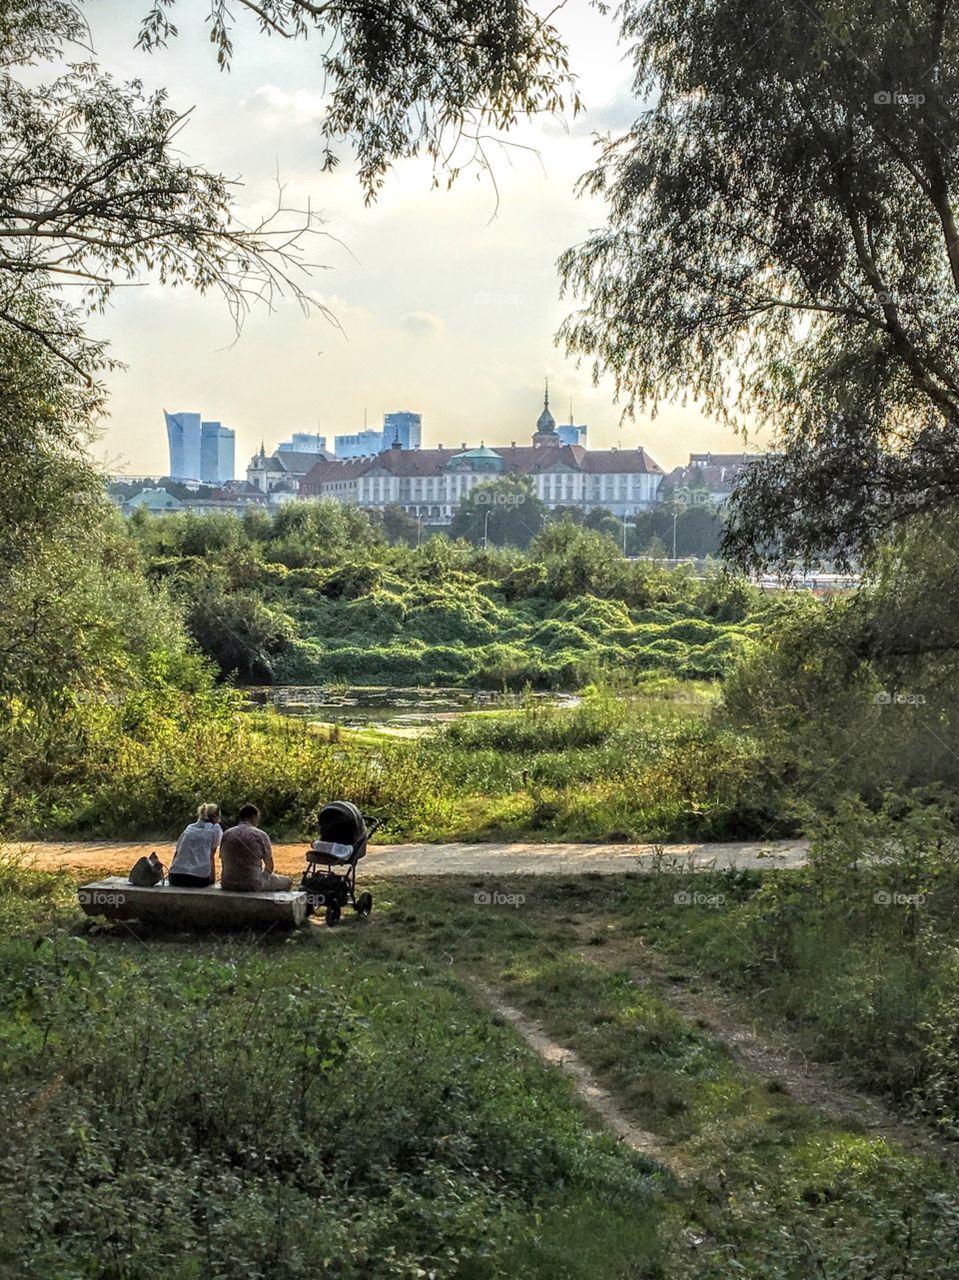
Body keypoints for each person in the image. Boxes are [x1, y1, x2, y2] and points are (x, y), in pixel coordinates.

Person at [219, 803, 293, 893]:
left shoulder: (227, 834)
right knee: (287, 881)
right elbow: (269, 866)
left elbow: (223, 860)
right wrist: (263, 878)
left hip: (227, 882)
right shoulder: (260, 835)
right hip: (252, 883)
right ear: (253, 817)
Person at [169, 803, 222, 887]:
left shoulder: (189, 827)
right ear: (215, 816)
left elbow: (177, 852)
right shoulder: (215, 828)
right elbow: (211, 856)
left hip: (175, 877)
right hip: (198, 879)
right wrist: (212, 880)